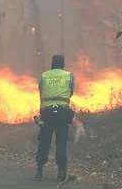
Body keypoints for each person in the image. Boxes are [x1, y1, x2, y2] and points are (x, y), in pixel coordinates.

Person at [34, 54, 76, 182]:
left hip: (47, 113)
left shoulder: (44, 75)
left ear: (52, 64)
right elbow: (71, 92)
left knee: (44, 141)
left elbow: (41, 92)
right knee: (61, 142)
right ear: (63, 64)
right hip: (62, 113)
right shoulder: (68, 75)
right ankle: (61, 173)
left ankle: (39, 171)